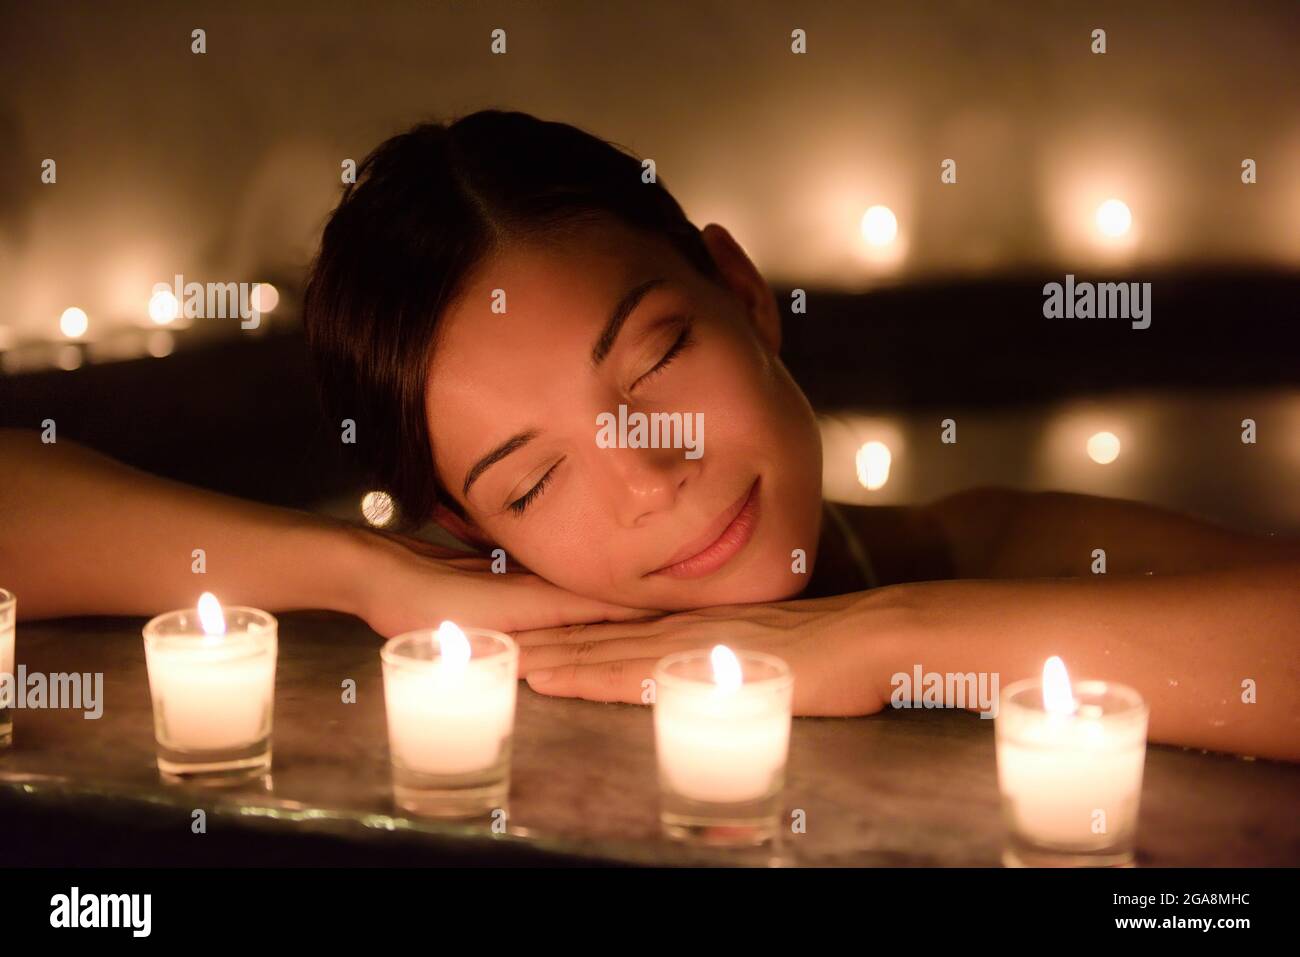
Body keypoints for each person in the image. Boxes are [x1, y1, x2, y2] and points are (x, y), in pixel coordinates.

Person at [3, 110, 1296, 761]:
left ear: (743, 294)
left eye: (657, 355)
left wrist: (890, 638)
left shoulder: (987, 541)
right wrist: (357, 570)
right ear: (467, 525)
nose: (647, 470)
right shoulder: (483, 628)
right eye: (535, 475)